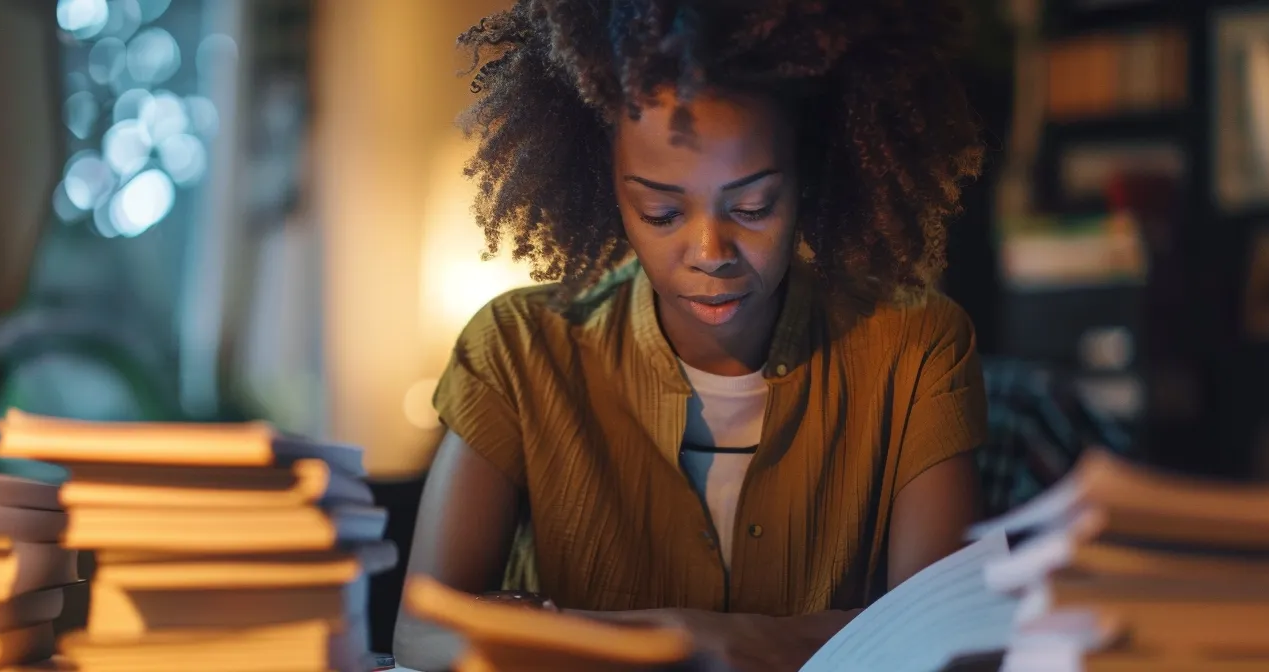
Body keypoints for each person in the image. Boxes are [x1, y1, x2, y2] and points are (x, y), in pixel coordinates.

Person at [395, 1, 986, 669]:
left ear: (810, 174)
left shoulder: (915, 348)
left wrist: (595, 633)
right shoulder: (517, 351)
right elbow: (423, 635)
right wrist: (705, 635)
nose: (710, 250)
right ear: (606, 185)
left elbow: (943, 641)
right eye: (662, 211)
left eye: (753, 206)